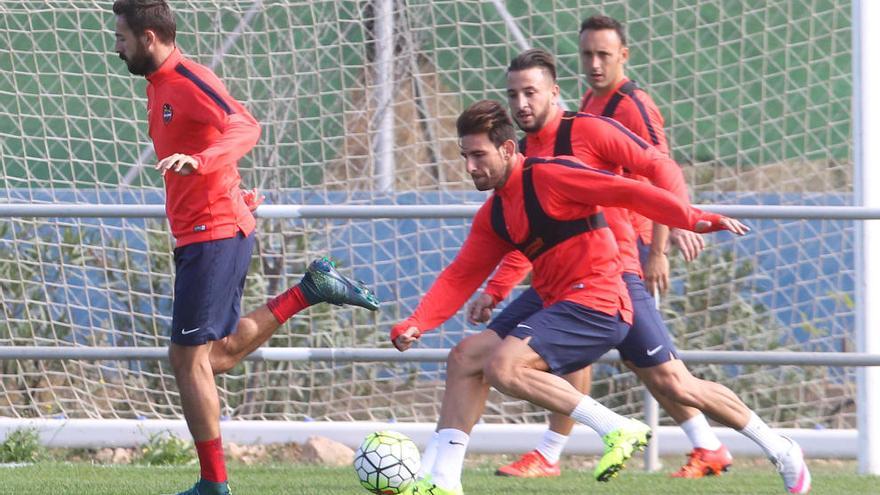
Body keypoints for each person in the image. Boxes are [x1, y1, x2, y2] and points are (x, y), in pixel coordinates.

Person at [393, 99, 749, 495]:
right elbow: (461, 274)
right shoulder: (495, 213)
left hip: (601, 295)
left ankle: (618, 428)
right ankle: (441, 480)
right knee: (464, 358)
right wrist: (418, 322)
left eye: (478, 155)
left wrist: (692, 217)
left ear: (509, 149)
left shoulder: (552, 173)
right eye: (465, 156)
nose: (470, 167)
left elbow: (627, 190)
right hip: (557, 298)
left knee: (506, 367)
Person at [111, 2, 379, 494]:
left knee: (187, 359)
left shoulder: (190, 78)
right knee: (216, 356)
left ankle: (214, 485)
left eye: (122, 37)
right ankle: (310, 289)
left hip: (214, 233)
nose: (116, 46)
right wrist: (225, 182)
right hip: (204, 233)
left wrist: (203, 162)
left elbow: (244, 124)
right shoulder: (158, 89)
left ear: (149, 37)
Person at [494, 16, 729, 480]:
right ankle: (707, 445)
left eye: (604, 55)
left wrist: (661, 243)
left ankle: (734, 445)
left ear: (624, 55)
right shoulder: (589, 101)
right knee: (629, 360)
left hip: (629, 248)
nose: (594, 64)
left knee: (659, 369)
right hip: (599, 245)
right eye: (587, 55)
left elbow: (658, 168)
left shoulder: (631, 104)